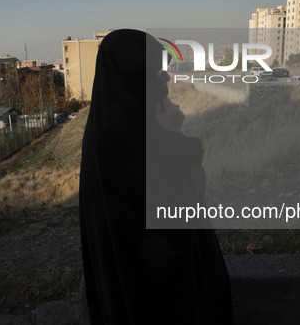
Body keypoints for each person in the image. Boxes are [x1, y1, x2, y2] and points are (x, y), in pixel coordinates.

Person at [79, 29, 234, 324]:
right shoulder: (124, 139)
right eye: (155, 72)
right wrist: (176, 139)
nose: (165, 80)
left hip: (134, 285)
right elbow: (179, 208)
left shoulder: (111, 128)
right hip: (156, 293)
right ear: (135, 75)